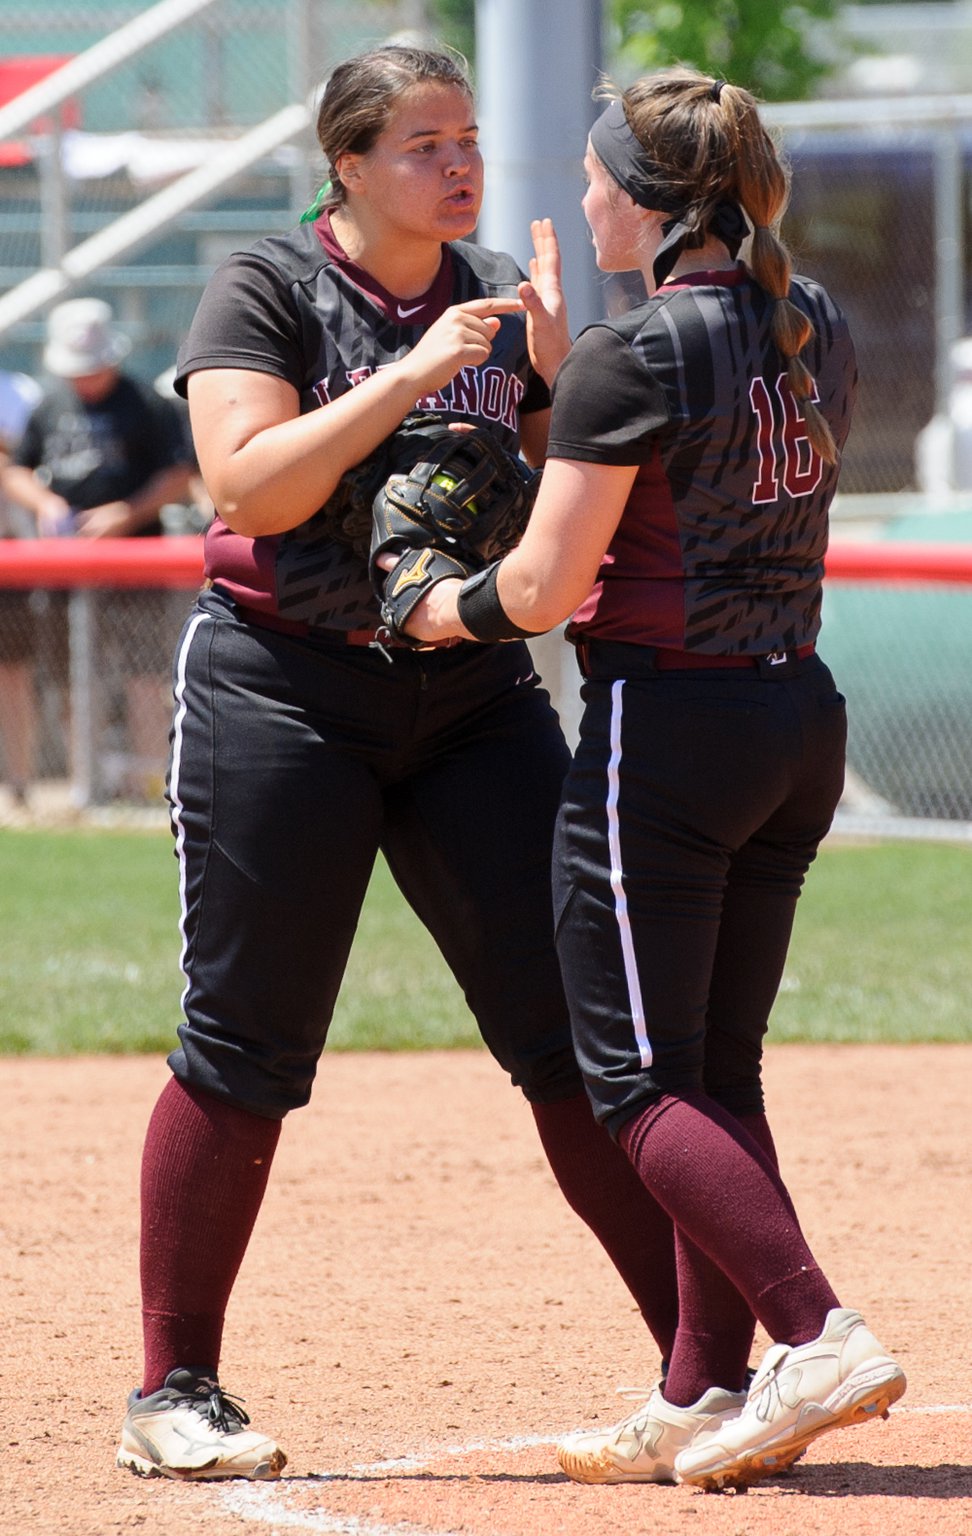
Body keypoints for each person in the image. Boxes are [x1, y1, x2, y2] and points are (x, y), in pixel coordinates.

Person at [114, 43, 695, 1484]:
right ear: (350, 165)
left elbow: (560, 489)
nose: (460, 163)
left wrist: (554, 375)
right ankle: (174, 1389)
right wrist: (412, 374)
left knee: (573, 1036)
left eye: (469, 136)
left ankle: (704, 1369)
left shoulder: (495, 288)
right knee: (247, 1039)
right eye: (424, 142)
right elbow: (246, 487)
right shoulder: (266, 286)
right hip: (283, 689)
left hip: (473, 697)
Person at [387, 68, 907, 1491]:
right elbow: (694, 460)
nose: (585, 197)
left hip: (666, 734)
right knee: (714, 1071)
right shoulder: (813, 314)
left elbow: (543, 591)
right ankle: (698, 1388)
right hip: (793, 719)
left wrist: (430, 608)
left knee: (629, 1083)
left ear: (657, 202)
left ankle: (815, 1333)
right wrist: (577, 376)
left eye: (600, 178)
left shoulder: (638, 351)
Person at [2, 299, 196, 800]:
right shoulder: (51, 403)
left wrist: (125, 513)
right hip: (67, 564)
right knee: (69, 679)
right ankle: (81, 786)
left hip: (138, 561)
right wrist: (45, 503)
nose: (83, 379)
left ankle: (147, 786)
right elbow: (18, 470)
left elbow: (180, 474)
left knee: (144, 677)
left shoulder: (145, 403)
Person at [0, 369, 43, 807]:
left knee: (13, 676)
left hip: (10, 554)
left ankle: (19, 781)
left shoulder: (22, 392)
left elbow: (19, 466)